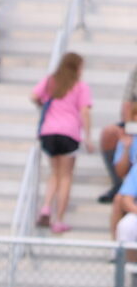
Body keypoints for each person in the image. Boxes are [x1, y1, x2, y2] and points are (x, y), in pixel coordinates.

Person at [32, 52, 90, 234]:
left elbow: (34, 96)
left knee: (54, 173)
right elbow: (84, 111)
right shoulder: (80, 86)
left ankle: (46, 207)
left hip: (49, 131)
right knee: (65, 176)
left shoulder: (51, 81)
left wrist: (43, 104)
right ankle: (59, 219)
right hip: (69, 132)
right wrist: (88, 136)